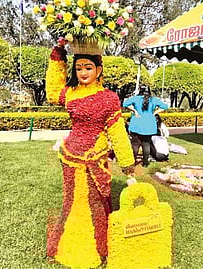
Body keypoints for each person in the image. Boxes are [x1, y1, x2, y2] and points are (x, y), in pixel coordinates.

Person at [44, 38, 135, 268]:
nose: (83, 72)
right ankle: (67, 244)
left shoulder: (109, 98)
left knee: (95, 203)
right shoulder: (72, 93)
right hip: (70, 157)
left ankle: (97, 248)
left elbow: (118, 133)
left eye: (88, 68)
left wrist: (128, 166)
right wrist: (58, 53)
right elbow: (53, 92)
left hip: (95, 158)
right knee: (71, 201)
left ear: (99, 69)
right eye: (79, 68)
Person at [123, 86, 168, 167]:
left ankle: (132, 162)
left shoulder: (135, 98)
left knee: (135, 144)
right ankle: (145, 163)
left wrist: (134, 110)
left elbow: (125, 104)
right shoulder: (153, 99)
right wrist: (154, 112)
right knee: (146, 144)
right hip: (149, 125)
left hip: (136, 123)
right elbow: (165, 106)